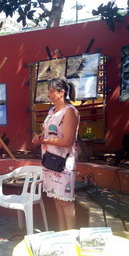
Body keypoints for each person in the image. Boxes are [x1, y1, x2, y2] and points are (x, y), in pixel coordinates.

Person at [32, 78, 79, 231]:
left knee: (66, 201)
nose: (49, 94)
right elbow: (50, 132)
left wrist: (45, 140)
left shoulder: (70, 111)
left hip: (63, 162)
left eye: (52, 91)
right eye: (49, 91)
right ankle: (61, 233)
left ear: (62, 92)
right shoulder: (52, 111)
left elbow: (67, 140)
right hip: (49, 160)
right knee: (57, 200)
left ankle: (70, 235)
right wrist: (40, 137)